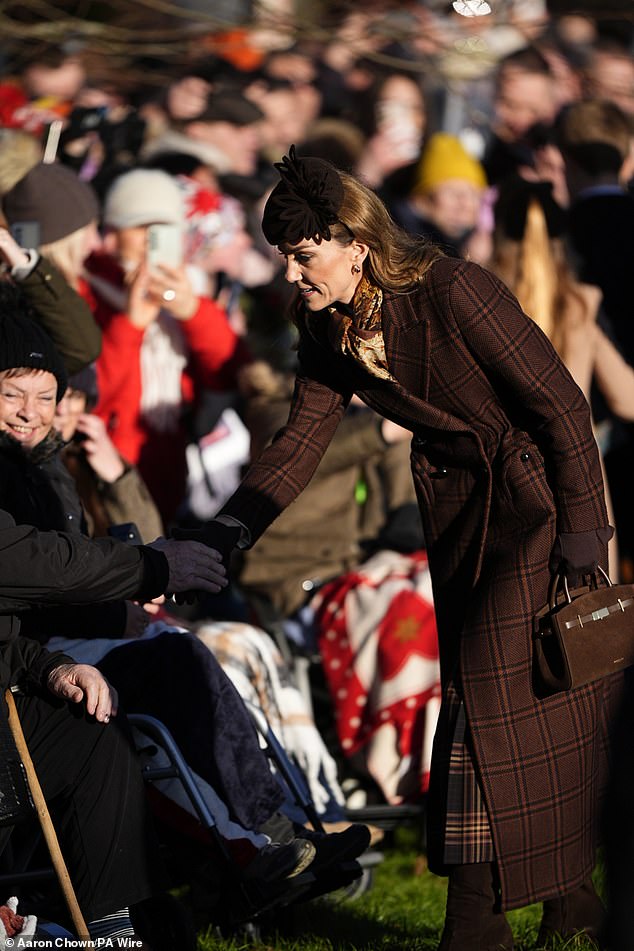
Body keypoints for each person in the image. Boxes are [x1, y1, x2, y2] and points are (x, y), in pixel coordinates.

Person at [204, 146, 616, 949]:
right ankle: (572, 898)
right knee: (524, 707)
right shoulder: (323, 322)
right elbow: (299, 443)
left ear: (354, 241)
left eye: (302, 254)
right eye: (283, 257)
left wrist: (585, 525)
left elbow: (562, 405)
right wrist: (225, 528)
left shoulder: (455, 288)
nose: (292, 273)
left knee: (481, 708)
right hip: (459, 516)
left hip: (536, 508)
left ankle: (475, 925)